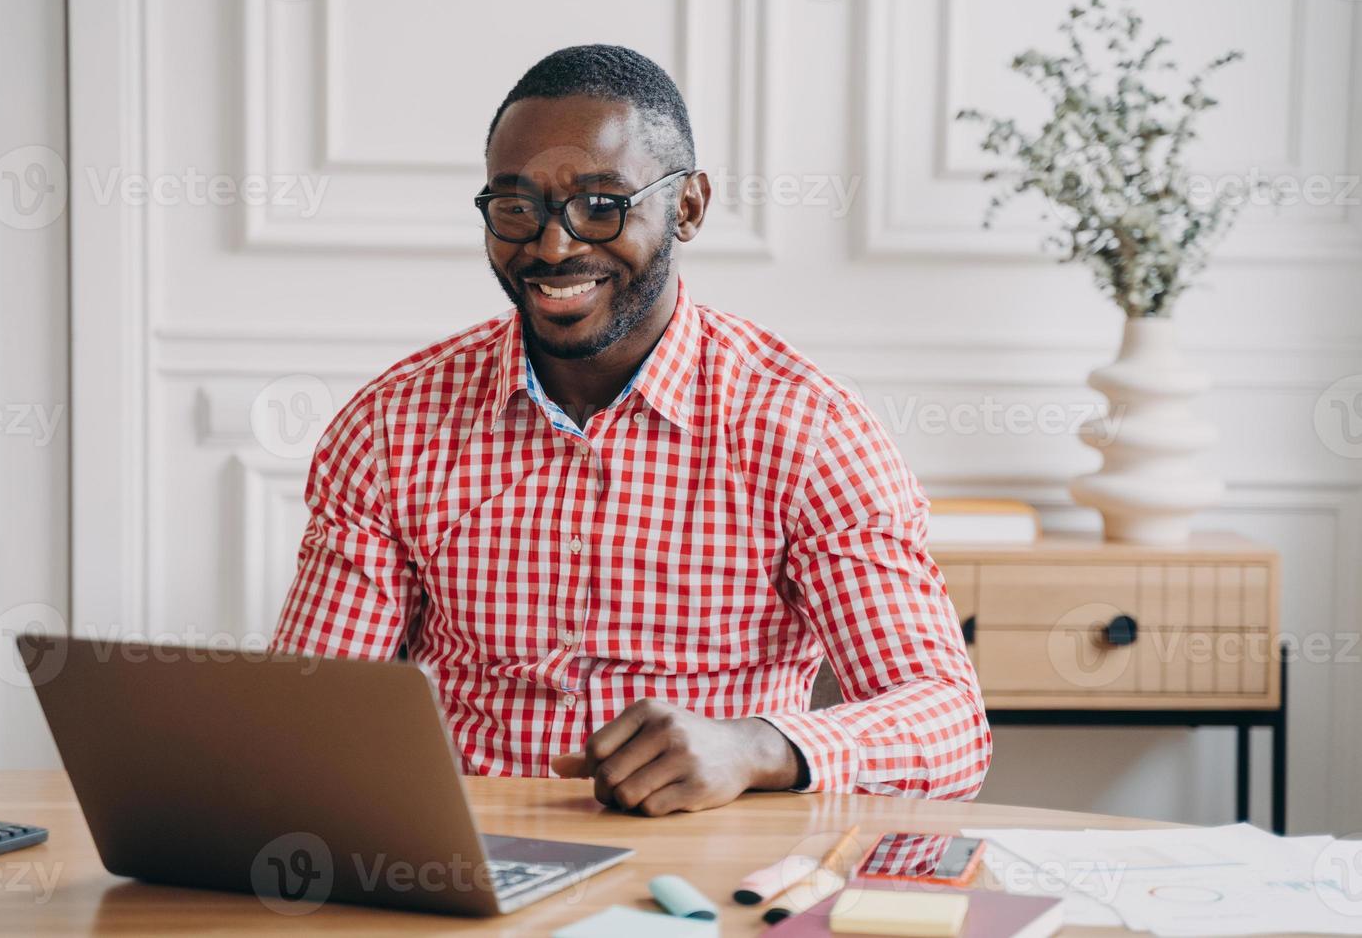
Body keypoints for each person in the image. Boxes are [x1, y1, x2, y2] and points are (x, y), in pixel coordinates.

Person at [271, 44, 991, 816]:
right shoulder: (390, 428)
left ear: (687, 207)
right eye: (517, 207)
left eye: (600, 205)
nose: (552, 246)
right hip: (466, 872)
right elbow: (303, 722)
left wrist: (756, 747)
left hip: (713, 875)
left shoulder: (807, 430)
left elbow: (947, 724)